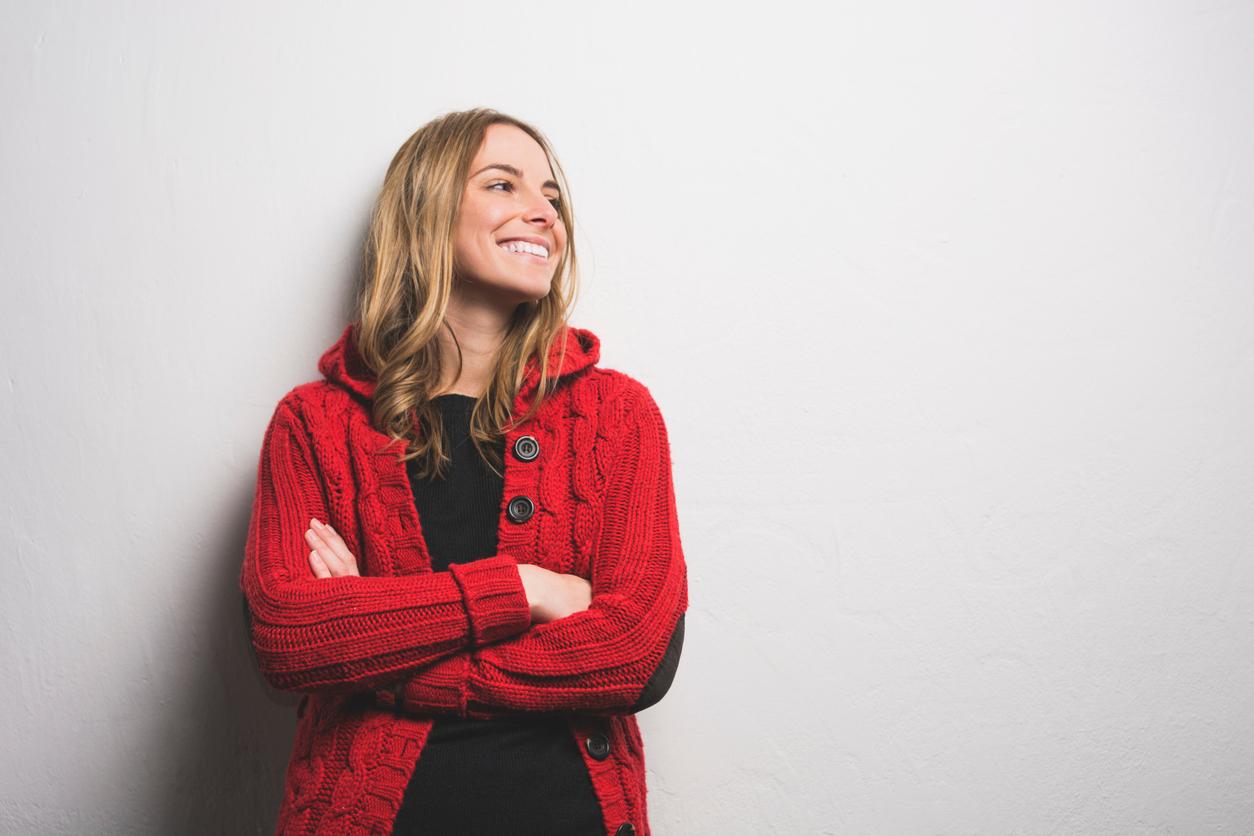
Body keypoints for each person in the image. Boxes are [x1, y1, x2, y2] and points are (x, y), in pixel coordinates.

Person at [240, 107, 688, 836]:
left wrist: (379, 647)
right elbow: (289, 637)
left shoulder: (618, 415)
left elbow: (637, 655)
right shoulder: (315, 424)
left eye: (552, 196)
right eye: (503, 185)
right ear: (425, 213)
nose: (543, 212)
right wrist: (525, 590)